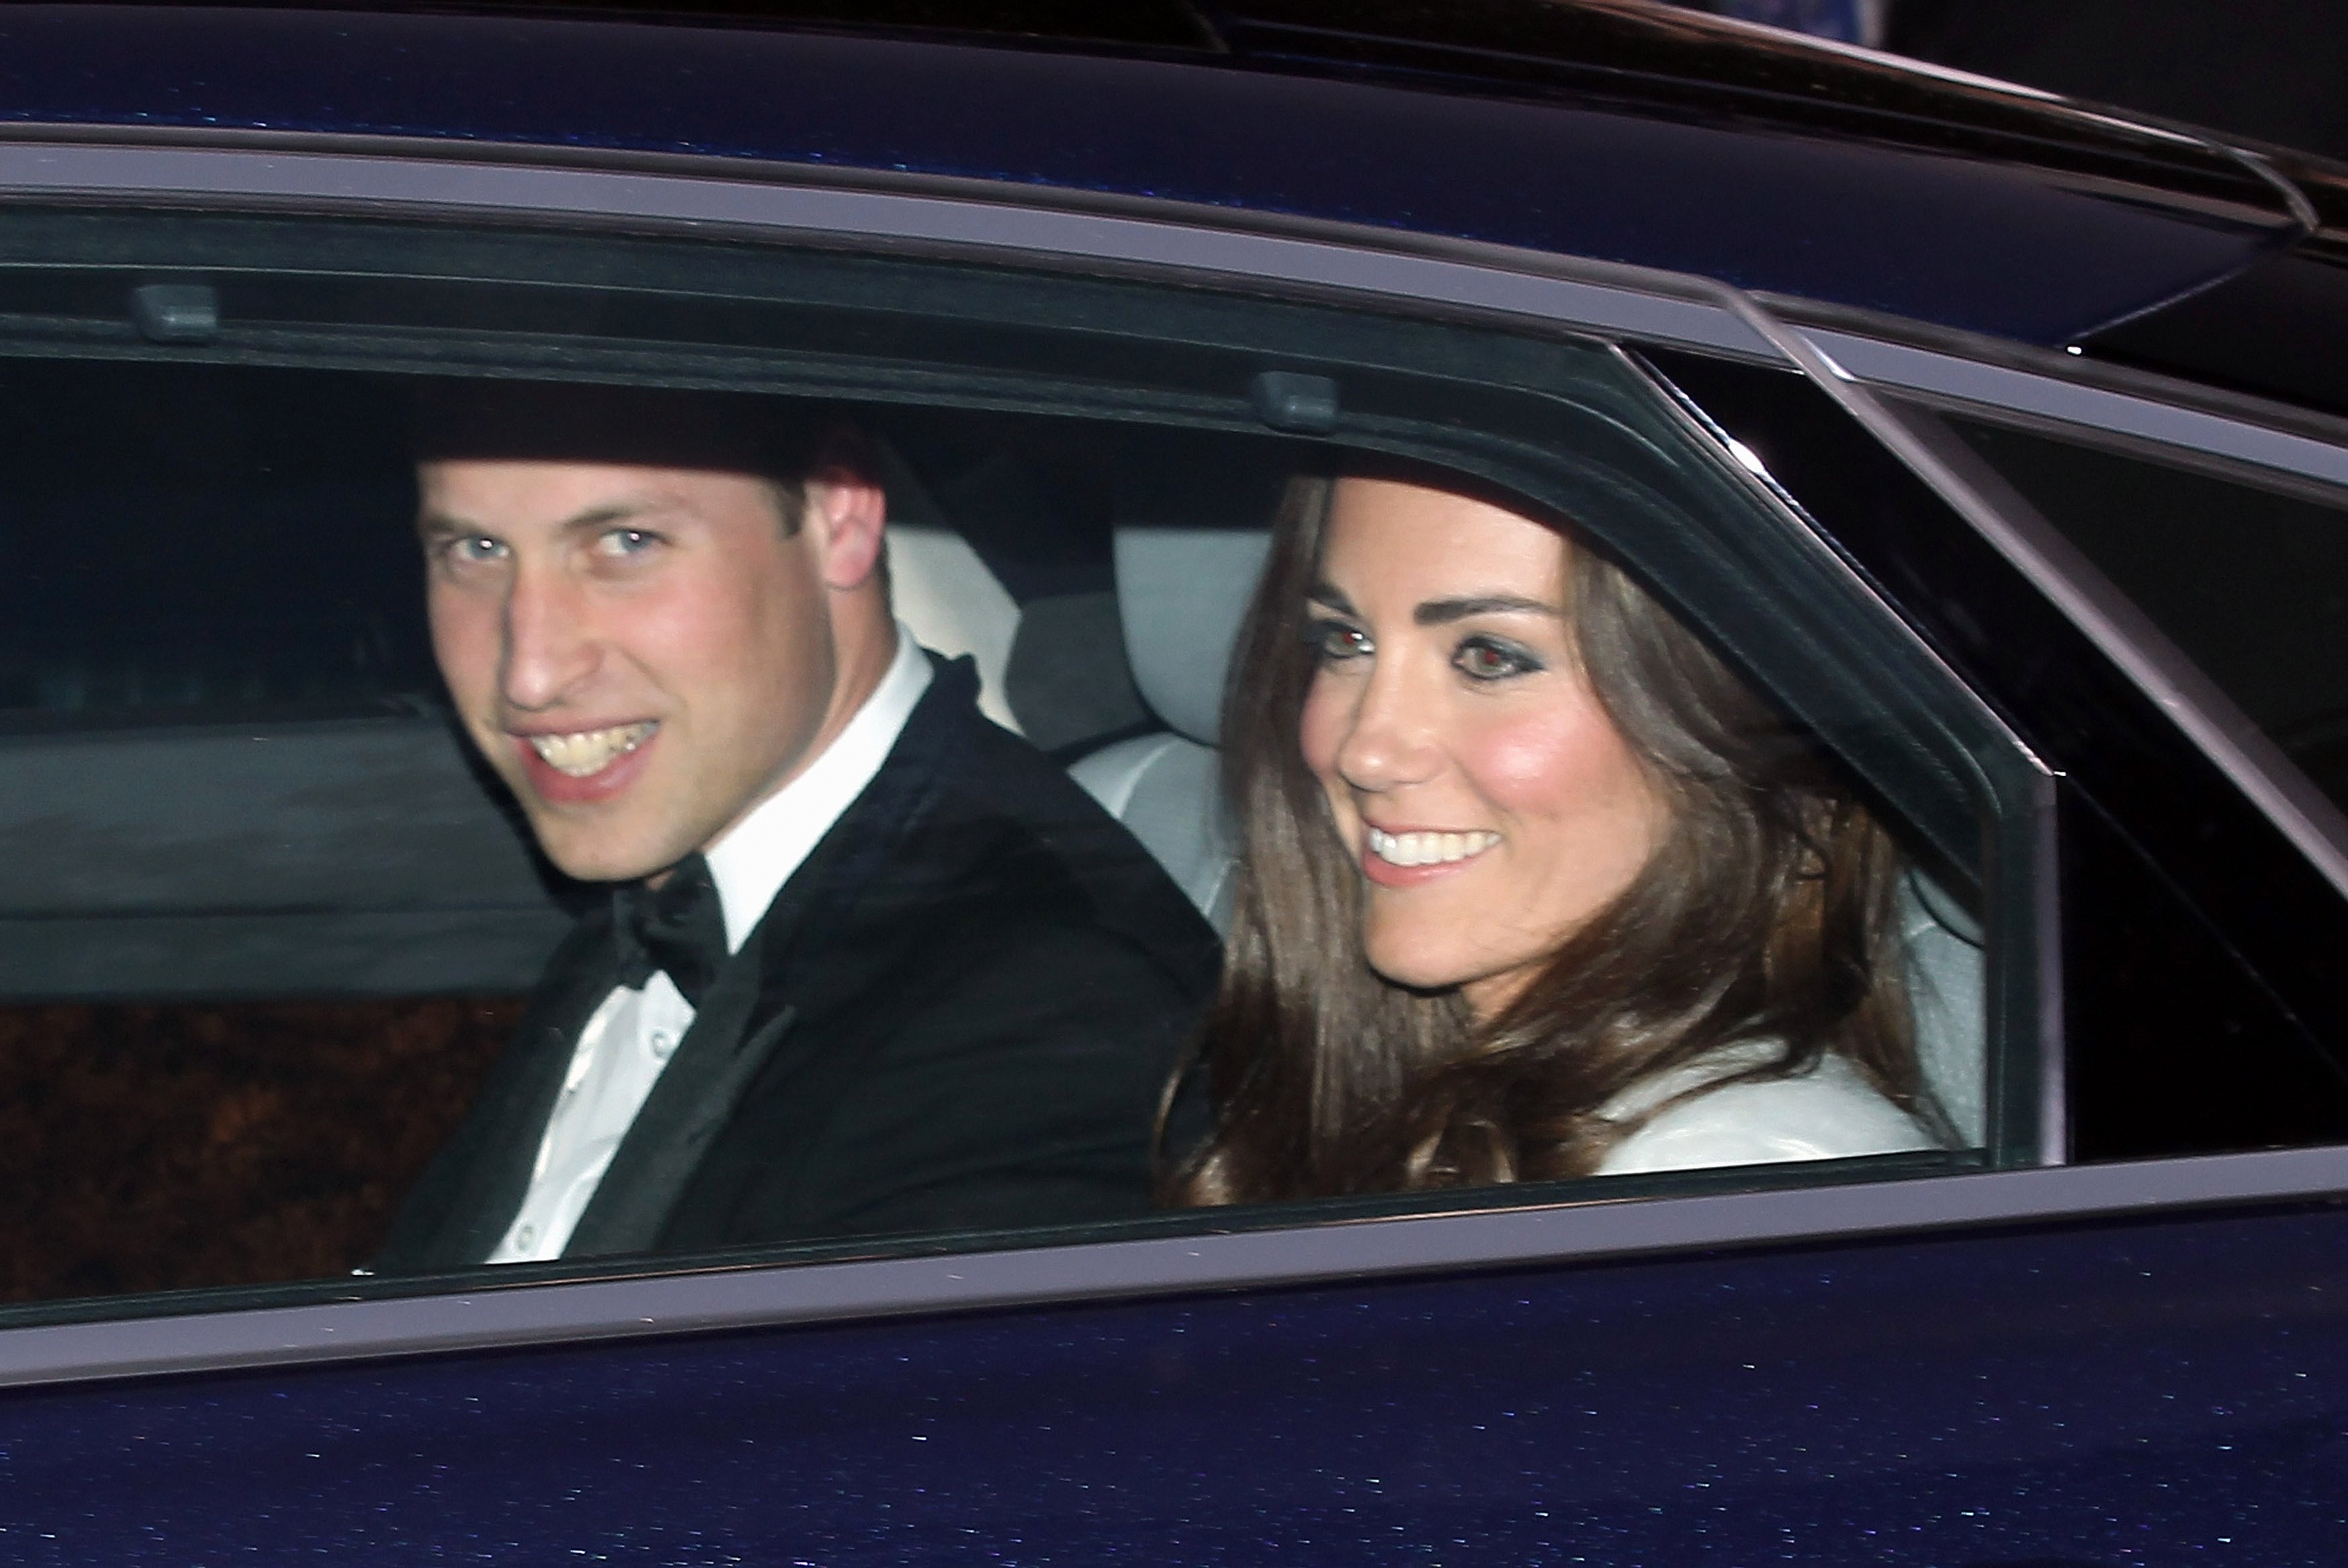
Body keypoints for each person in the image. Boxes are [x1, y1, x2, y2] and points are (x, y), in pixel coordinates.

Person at [374, 384, 1218, 1270]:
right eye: (475, 548)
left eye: (628, 543)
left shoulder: (1054, 1013)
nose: (531, 671)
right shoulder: (657, 902)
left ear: (838, 515)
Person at [1166, 466, 1940, 1205]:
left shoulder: (1729, 1177)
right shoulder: (1380, 1108)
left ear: (1737, 729)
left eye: (1489, 657)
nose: (1364, 750)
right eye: (1344, 643)